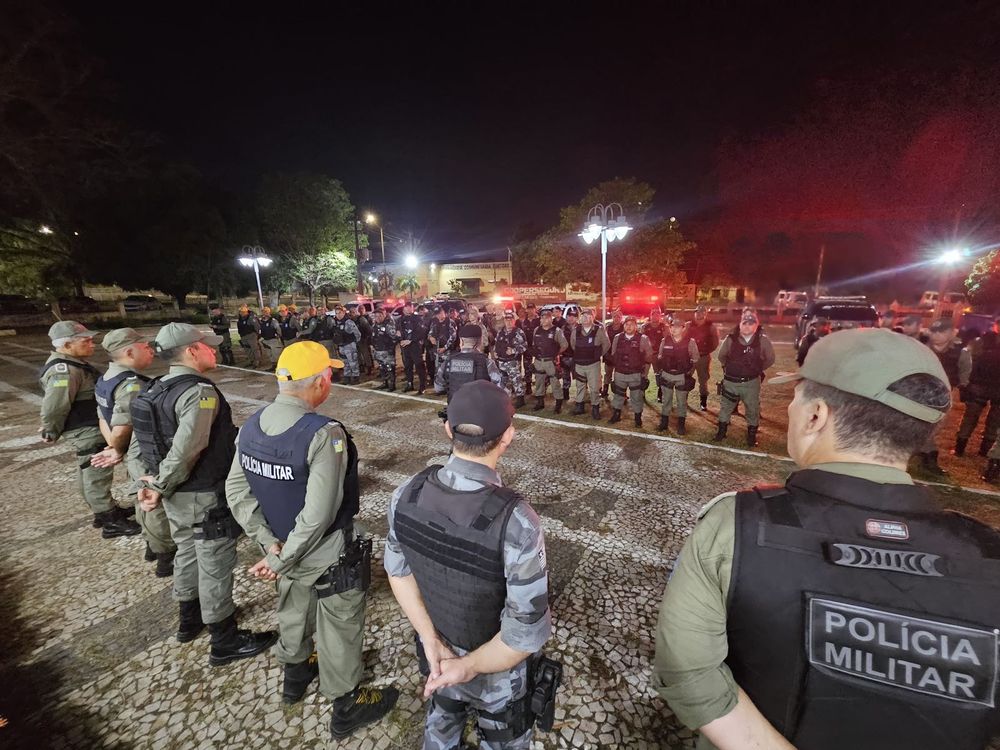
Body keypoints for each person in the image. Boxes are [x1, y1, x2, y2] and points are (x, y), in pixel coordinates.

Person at [651, 328, 1000, 750]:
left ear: (816, 416)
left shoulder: (735, 523)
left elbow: (687, 672)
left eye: (797, 399)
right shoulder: (988, 553)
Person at [225, 341, 399, 737]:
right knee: (339, 622)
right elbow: (320, 513)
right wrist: (279, 559)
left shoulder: (251, 426)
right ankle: (345, 703)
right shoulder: (323, 434)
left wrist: (270, 543)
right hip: (324, 551)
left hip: (281, 545)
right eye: (329, 376)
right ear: (321, 381)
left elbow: (236, 490)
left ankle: (295, 677)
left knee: (293, 608)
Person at [384, 381, 553, 750]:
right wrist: (470, 665)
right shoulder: (517, 522)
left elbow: (397, 572)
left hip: (436, 656)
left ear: (448, 430)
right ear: (509, 435)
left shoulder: (406, 494)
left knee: (442, 721)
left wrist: (431, 640)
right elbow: (524, 635)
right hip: (496, 672)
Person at [131, 322, 278, 664]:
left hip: (176, 495)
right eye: (207, 346)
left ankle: (189, 619)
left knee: (186, 552)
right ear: (192, 351)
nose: (213, 350)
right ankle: (223, 637)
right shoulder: (199, 392)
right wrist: (159, 484)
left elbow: (142, 444)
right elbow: (188, 449)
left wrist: (150, 484)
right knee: (213, 561)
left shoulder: (153, 388)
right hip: (203, 493)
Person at [38, 321, 141, 538]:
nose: (92, 344)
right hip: (86, 430)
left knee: (87, 471)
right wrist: (50, 429)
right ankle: (109, 520)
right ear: (66, 345)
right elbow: (55, 405)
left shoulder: (73, 363)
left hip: (87, 427)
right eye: (85, 341)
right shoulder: (64, 370)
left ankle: (103, 511)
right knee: (97, 474)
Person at [92, 328, 176, 574]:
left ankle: (152, 543)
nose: (151, 350)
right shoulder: (131, 385)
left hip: (129, 450)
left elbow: (102, 418)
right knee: (152, 501)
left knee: (141, 496)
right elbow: (122, 426)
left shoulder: (107, 379)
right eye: (145, 346)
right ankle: (166, 554)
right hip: (141, 450)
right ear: (129, 351)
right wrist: (118, 448)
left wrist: (113, 446)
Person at [714, 309, 776, 447]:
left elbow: (770, 359)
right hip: (731, 381)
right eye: (744, 323)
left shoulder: (762, 340)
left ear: (756, 326)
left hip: (751, 383)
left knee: (752, 409)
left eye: (751, 323)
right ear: (740, 325)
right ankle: (721, 432)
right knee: (725, 407)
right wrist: (730, 369)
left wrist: (756, 370)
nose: (747, 326)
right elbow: (721, 356)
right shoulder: (730, 339)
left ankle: (751, 436)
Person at [918, 319, 964, 475]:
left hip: (944, 394)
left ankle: (926, 455)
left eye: (941, 332)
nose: (936, 335)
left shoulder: (959, 352)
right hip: (920, 392)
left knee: (936, 426)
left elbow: (964, 372)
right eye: (934, 331)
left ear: (951, 333)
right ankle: (927, 456)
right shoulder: (921, 349)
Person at [953, 317, 1000, 459]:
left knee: (980, 418)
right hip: (982, 385)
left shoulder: (982, 341)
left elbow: (968, 359)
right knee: (987, 419)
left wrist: (966, 381)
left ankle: (963, 448)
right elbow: (968, 360)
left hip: (981, 385)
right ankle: (977, 449)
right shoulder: (982, 341)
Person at [654, 317, 700, 434]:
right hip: (667, 374)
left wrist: (689, 373)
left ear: (683, 328)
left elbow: (695, 359)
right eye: (672, 327)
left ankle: (681, 425)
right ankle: (664, 423)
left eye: (677, 327)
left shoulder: (690, 342)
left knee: (681, 402)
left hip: (681, 376)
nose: (673, 329)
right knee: (666, 400)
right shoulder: (665, 341)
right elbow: (660, 356)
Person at [434, 326, 503, 401]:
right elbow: (500, 388)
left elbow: (438, 388)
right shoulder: (487, 362)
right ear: (480, 341)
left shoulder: (448, 361)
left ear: (461, 341)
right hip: (479, 409)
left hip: (455, 408)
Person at [608, 315, 654, 427]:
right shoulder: (617, 337)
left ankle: (638, 418)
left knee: (636, 397)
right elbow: (614, 354)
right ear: (623, 326)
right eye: (626, 324)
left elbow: (649, 357)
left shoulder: (643, 339)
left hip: (635, 373)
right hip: (620, 372)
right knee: (618, 395)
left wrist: (644, 375)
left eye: (632, 325)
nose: (629, 327)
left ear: (636, 327)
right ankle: (616, 414)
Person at [570, 309, 610, 420]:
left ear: (593, 318)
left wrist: (597, 355)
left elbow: (606, 344)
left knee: (594, 388)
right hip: (579, 364)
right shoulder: (576, 330)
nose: (585, 318)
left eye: (588, 316)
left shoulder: (599, 330)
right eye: (583, 316)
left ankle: (595, 408)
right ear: (580, 318)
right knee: (580, 386)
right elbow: (573, 344)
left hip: (593, 364)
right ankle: (579, 406)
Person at [530, 309, 568, 413]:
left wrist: (555, 353)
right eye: (542, 317)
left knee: (555, 382)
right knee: (539, 381)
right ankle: (540, 402)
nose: (544, 319)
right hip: (539, 360)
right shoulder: (536, 329)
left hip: (551, 361)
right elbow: (534, 344)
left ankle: (558, 404)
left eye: (547, 317)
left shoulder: (557, 331)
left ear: (551, 318)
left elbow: (564, 345)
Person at [686, 305, 720, 412]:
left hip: (703, 357)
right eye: (697, 312)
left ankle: (703, 402)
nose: (699, 314)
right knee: (685, 378)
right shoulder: (688, 325)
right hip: (689, 357)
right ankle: (683, 400)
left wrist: (705, 352)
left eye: (701, 312)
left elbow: (715, 343)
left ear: (705, 314)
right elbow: (682, 338)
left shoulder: (711, 327)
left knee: (703, 381)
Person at [493, 311, 528, 407]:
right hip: (501, 361)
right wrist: (495, 352)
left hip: (512, 362)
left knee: (516, 380)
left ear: (514, 321)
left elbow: (524, 346)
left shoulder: (518, 332)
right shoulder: (500, 331)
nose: (508, 322)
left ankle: (520, 399)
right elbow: (496, 344)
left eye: (510, 320)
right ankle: (506, 398)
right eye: (506, 320)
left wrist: (513, 350)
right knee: (503, 382)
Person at [399, 301, 428, 393]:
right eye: (406, 307)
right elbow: (398, 331)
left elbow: (422, 332)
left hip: (415, 346)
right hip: (404, 347)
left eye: (409, 307)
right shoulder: (401, 319)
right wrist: (399, 338)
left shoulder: (417, 319)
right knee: (408, 366)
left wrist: (411, 340)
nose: (407, 309)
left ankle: (423, 385)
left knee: (419, 365)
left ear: (412, 308)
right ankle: (409, 384)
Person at [371, 308, 401, 391]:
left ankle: (392, 385)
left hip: (387, 351)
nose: (377, 318)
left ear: (384, 315)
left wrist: (390, 347)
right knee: (382, 368)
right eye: (376, 316)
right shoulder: (375, 325)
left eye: (380, 316)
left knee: (390, 368)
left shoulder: (388, 325)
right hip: (378, 351)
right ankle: (385, 383)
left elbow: (395, 338)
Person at [332, 306, 363, 384]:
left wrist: (355, 342)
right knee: (345, 363)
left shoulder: (348, 322)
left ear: (343, 313)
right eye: (336, 313)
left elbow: (357, 333)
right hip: (342, 346)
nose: (338, 315)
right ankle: (347, 378)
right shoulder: (337, 322)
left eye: (340, 313)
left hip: (349, 345)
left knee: (353, 362)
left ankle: (356, 378)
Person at [642, 310, 667, 403]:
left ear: (660, 316)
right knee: (643, 375)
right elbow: (642, 339)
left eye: (657, 315)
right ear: (650, 315)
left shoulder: (663, 327)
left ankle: (660, 394)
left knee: (659, 375)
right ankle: (642, 393)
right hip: (647, 355)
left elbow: (666, 340)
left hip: (658, 354)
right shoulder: (645, 326)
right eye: (653, 314)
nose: (655, 317)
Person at [601, 310, 625, 400]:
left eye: (619, 316)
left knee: (621, 375)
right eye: (615, 316)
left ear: (621, 318)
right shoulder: (608, 327)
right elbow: (603, 340)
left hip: (621, 356)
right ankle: (605, 390)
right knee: (608, 374)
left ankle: (622, 393)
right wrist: (605, 353)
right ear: (612, 317)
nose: (616, 318)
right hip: (609, 354)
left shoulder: (624, 327)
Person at [428, 306, 457, 375]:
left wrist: (445, 348)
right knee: (439, 370)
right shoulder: (434, 322)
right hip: (437, 350)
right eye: (437, 314)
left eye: (440, 313)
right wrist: (430, 337)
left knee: (448, 369)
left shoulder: (450, 322)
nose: (439, 315)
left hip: (448, 351)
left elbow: (453, 337)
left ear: (444, 312)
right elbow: (430, 333)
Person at [558, 310, 579, 402]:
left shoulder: (581, 328)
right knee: (565, 377)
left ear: (577, 318)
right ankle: (565, 394)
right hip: (565, 356)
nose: (570, 318)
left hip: (577, 357)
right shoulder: (562, 328)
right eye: (569, 316)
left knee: (579, 378)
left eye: (573, 316)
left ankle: (580, 397)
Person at [519, 304, 539, 394]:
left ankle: (540, 386)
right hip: (527, 348)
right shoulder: (523, 321)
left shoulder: (540, 320)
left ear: (535, 310)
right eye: (529, 309)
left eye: (532, 309)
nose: (530, 311)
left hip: (538, 348)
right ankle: (528, 386)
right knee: (527, 368)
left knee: (539, 368)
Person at [350, 307, 374, 377]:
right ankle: (361, 367)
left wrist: (367, 338)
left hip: (362, 339)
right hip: (354, 340)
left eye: (354, 312)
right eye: (351, 312)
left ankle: (369, 368)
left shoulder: (361, 319)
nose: (352, 314)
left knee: (365, 354)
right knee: (357, 355)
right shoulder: (350, 321)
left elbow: (368, 329)